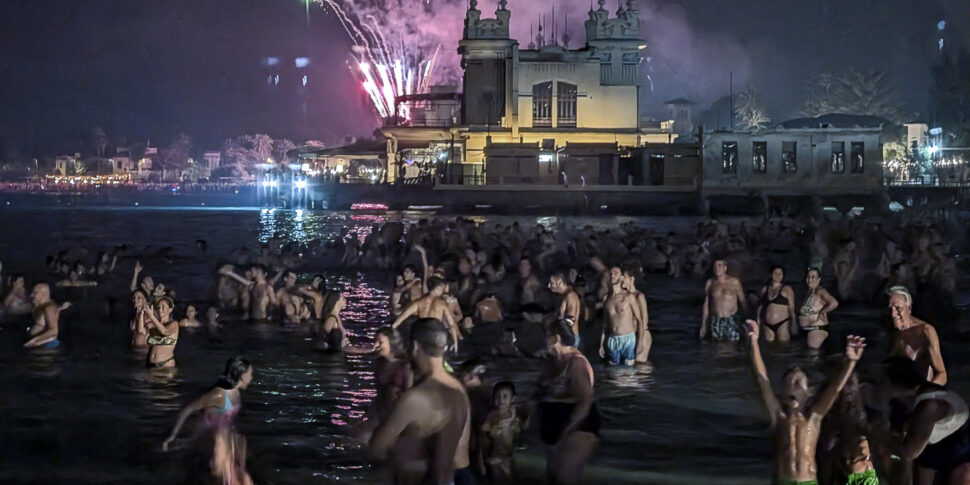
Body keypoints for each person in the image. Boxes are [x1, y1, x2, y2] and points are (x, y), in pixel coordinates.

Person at [744, 319, 866, 485]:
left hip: (808, 481)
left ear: (809, 392)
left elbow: (835, 390)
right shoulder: (779, 417)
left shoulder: (814, 418)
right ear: (783, 392)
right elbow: (762, 379)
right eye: (791, 381)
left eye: (799, 382)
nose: (795, 384)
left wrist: (851, 362)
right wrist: (753, 343)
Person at [369, 318, 471, 485]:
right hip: (459, 475)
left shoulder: (416, 398)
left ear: (415, 347)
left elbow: (377, 448)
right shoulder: (458, 389)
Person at [885, 356, 970, 485]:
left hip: (959, 448)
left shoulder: (930, 404)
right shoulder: (905, 403)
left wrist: (880, 442)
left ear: (895, 384)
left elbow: (909, 452)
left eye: (881, 383)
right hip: (930, 446)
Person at [536, 320, 598, 485]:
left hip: (577, 425)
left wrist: (567, 430)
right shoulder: (549, 360)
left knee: (565, 479)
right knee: (553, 477)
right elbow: (539, 391)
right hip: (554, 425)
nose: (540, 338)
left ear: (556, 338)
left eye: (544, 335)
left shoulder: (576, 364)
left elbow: (585, 400)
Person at [162, 356, 254, 451]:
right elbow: (187, 409)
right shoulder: (218, 395)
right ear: (243, 376)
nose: (251, 378)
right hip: (202, 436)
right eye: (250, 374)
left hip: (219, 436)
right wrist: (173, 435)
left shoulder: (236, 393)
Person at [886, 286, 947, 386]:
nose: (893, 314)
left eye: (898, 308)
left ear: (909, 308)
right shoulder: (890, 332)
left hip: (920, 389)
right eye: (890, 309)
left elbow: (942, 374)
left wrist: (926, 392)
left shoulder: (926, 331)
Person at [392, 277, 459, 353]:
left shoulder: (418, 302)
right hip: (436, 336)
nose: (443, 291)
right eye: (442, 289)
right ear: (437, 288)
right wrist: (455, 343)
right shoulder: (442, 304)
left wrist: (391, 329)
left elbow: (402, 317)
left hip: (422, 335)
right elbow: (452, 324)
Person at [479, 381, 523, 484]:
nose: (501, 399)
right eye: (498, 396)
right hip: (495, 454)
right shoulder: (492, 416)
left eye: (505, 396)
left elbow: (519, 432)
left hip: (509, 455)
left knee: (509, 478)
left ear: (513, 399)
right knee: (496, 478)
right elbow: (484, 433)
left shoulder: (514, 416)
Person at [699, 259, 747, 341]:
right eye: (715, 266)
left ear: (725, 268)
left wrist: (746, 320)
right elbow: (706, 305)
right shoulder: (710, 283)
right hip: (715, 320)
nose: (717, 268)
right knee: (716, 347)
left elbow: (742, 301)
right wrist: (703, 324)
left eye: (719, 265)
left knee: (732, 345)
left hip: (731, 320)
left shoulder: (734, 282)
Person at [599, 272, 640, 366]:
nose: (612, 275)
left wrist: (640, 342)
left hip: (628, 338)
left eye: (616, 273)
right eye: (611, 274)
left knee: (628, 372)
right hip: (612, 339)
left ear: (621, 278)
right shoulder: (606, 298)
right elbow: (605, 323)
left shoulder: (629, 297)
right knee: (614, 371)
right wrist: (601, 344)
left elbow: (639, 319)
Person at [798, 267, 839, 350]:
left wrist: (822, 311)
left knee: (812, 356)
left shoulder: (820, 291)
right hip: (807, 329)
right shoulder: (809, 292)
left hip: (816, 329)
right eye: (808, 276)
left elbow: (834, 303)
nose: (810, 279)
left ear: (819, 279)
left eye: (813, 277)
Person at [758, 266, 797, 343]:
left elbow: (792, 308)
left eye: (780, 274)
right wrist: (758, 321)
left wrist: (794, 323)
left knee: (783, 347)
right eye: (775, 273)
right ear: (771, 274)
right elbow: (761, 307)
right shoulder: (764, 290)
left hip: (783, 323)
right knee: (769, 347)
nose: (778, 275)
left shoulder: (787, 289)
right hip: (767, 324)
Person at [621, 269, 651, 363]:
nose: (622, 279)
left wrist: (640, 341)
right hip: (630, 335)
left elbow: (644, 319)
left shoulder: (639, 296)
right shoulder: (624, 296)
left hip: (641, 334)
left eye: (624, 277)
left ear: (631, 279)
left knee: (640, 365)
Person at [144, 296, 179, 368]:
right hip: (150, 364)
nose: (160, 309)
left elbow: (165, 331)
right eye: (158, 307)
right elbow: (140, 331)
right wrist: (141, 312)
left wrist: (151, 316)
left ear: (170, 309)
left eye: (163, 306)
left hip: (165, 364)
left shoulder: (174, 324)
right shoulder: (154, 325)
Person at [24, 283, 63, 348]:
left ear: (44, 294)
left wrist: (34, 341)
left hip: (47, 344)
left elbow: (54, 331)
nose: (31, 295)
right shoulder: (38, 306)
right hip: (36, 342)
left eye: (35, 293)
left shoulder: (49, 308)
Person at [549, 273, 582, 348]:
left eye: (551, 282)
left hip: (568, 339)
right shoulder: (562, 296)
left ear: (559, 282)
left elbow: (571, 320)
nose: (549, 285)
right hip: (562, 338)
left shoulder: (570, 296)